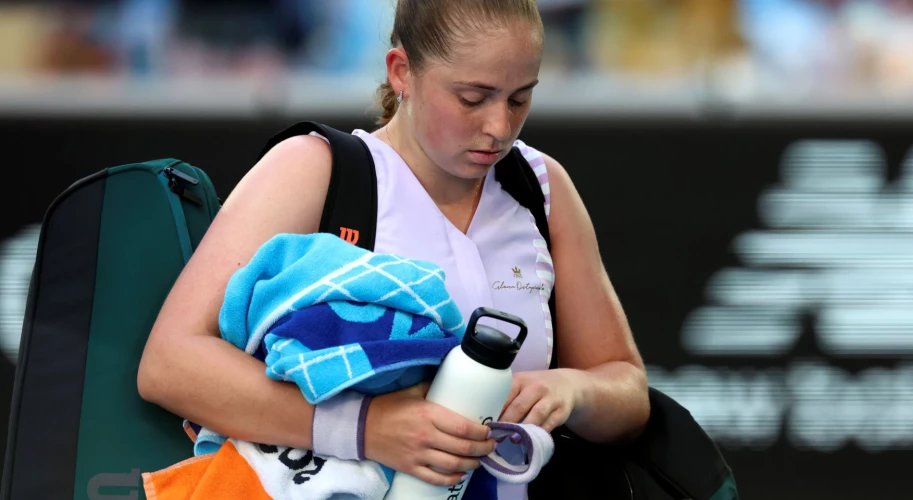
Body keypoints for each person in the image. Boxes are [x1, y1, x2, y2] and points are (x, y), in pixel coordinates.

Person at [136, 0, 650, 498]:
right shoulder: (313, 170)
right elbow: (170, 364)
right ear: (401, 71)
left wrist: (571, 393)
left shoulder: (541, 186)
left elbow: (626, 387)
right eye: (473, 98)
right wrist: (366, 429)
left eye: (520, 98)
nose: (499, 128)